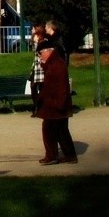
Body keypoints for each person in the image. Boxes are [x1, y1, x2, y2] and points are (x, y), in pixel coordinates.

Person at [32, 23, 78, 165]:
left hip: (56, 104)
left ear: (48, 51)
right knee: (61, 131)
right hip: (54, 104)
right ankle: (69, 155)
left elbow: (60, 87)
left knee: (50, 131)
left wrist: (58, 103)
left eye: (41, 54)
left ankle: (52, 155)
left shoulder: (56, 66)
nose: (40, 57)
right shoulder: (53, 64)